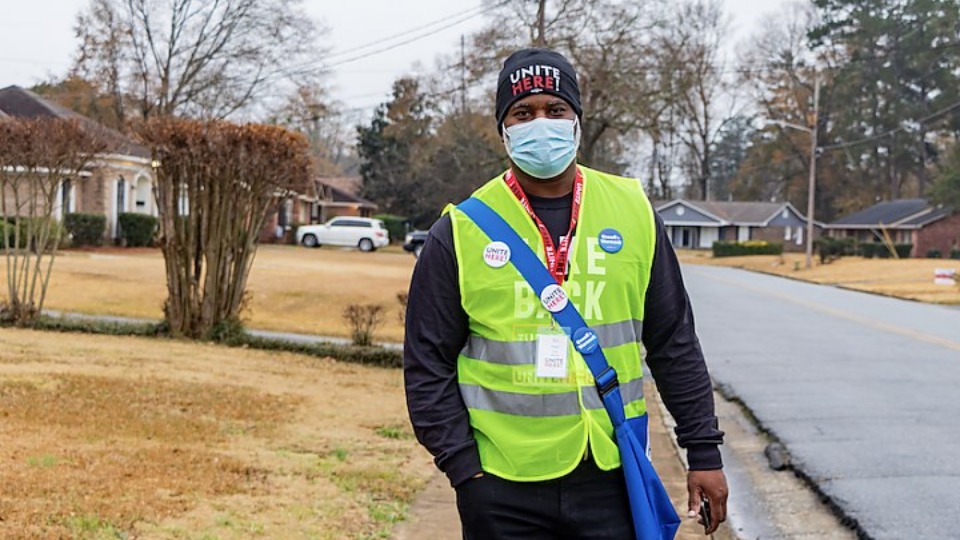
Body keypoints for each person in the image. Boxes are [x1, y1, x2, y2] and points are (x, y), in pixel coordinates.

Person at [404, 47, 728, 539]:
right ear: (504, 129)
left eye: (555, 110)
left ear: (577, 122)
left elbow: (674, 342)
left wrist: (703, 452)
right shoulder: (461, 229)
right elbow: (426, 363)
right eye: (523, 112)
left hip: (614, 475)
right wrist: (465, 470)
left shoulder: (634, 211)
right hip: (502, 486)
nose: (541, 123)